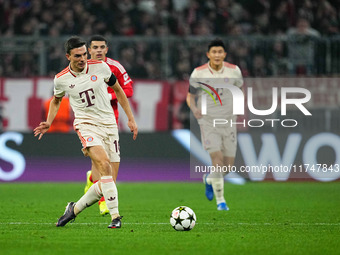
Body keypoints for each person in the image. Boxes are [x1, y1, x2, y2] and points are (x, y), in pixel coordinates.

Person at [34, 36, 138, 228]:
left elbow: (119, 90)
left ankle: (73, 210)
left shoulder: (101, 67)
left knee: (108, 182)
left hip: (109, 125)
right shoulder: (61, 79)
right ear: (68, 56)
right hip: (86, 125)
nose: (82, 59)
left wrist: (130, 118)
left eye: (83, 54)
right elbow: (56, 100)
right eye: (77, 56)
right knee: (104, 164)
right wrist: (49, 122)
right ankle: (115, 217)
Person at [186, 38, 243, 211]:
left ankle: (209, 179)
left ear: (224, 54)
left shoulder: (234, 71)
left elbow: (239, 90)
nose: (217, 55)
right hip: (208, 121)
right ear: (208, 54)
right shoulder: (199, 73)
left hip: (228, 122)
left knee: (227, 167)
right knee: (217, 161)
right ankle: (221, 202)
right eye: (214, 52)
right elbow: (190, 95)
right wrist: (194, 108)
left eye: (220, 52)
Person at [84, 35, 134, 216]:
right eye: (95, 47)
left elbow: (128, 89)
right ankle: (104, 201)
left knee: (105, 166)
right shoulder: (83, 68)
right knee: (101, 162)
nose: (98, 50)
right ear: (89, 50)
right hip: (89, 122)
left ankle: (92, 181)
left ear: (107, 49)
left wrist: (108, 96)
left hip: (110, 121)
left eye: (101, 47)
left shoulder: (115, 67)